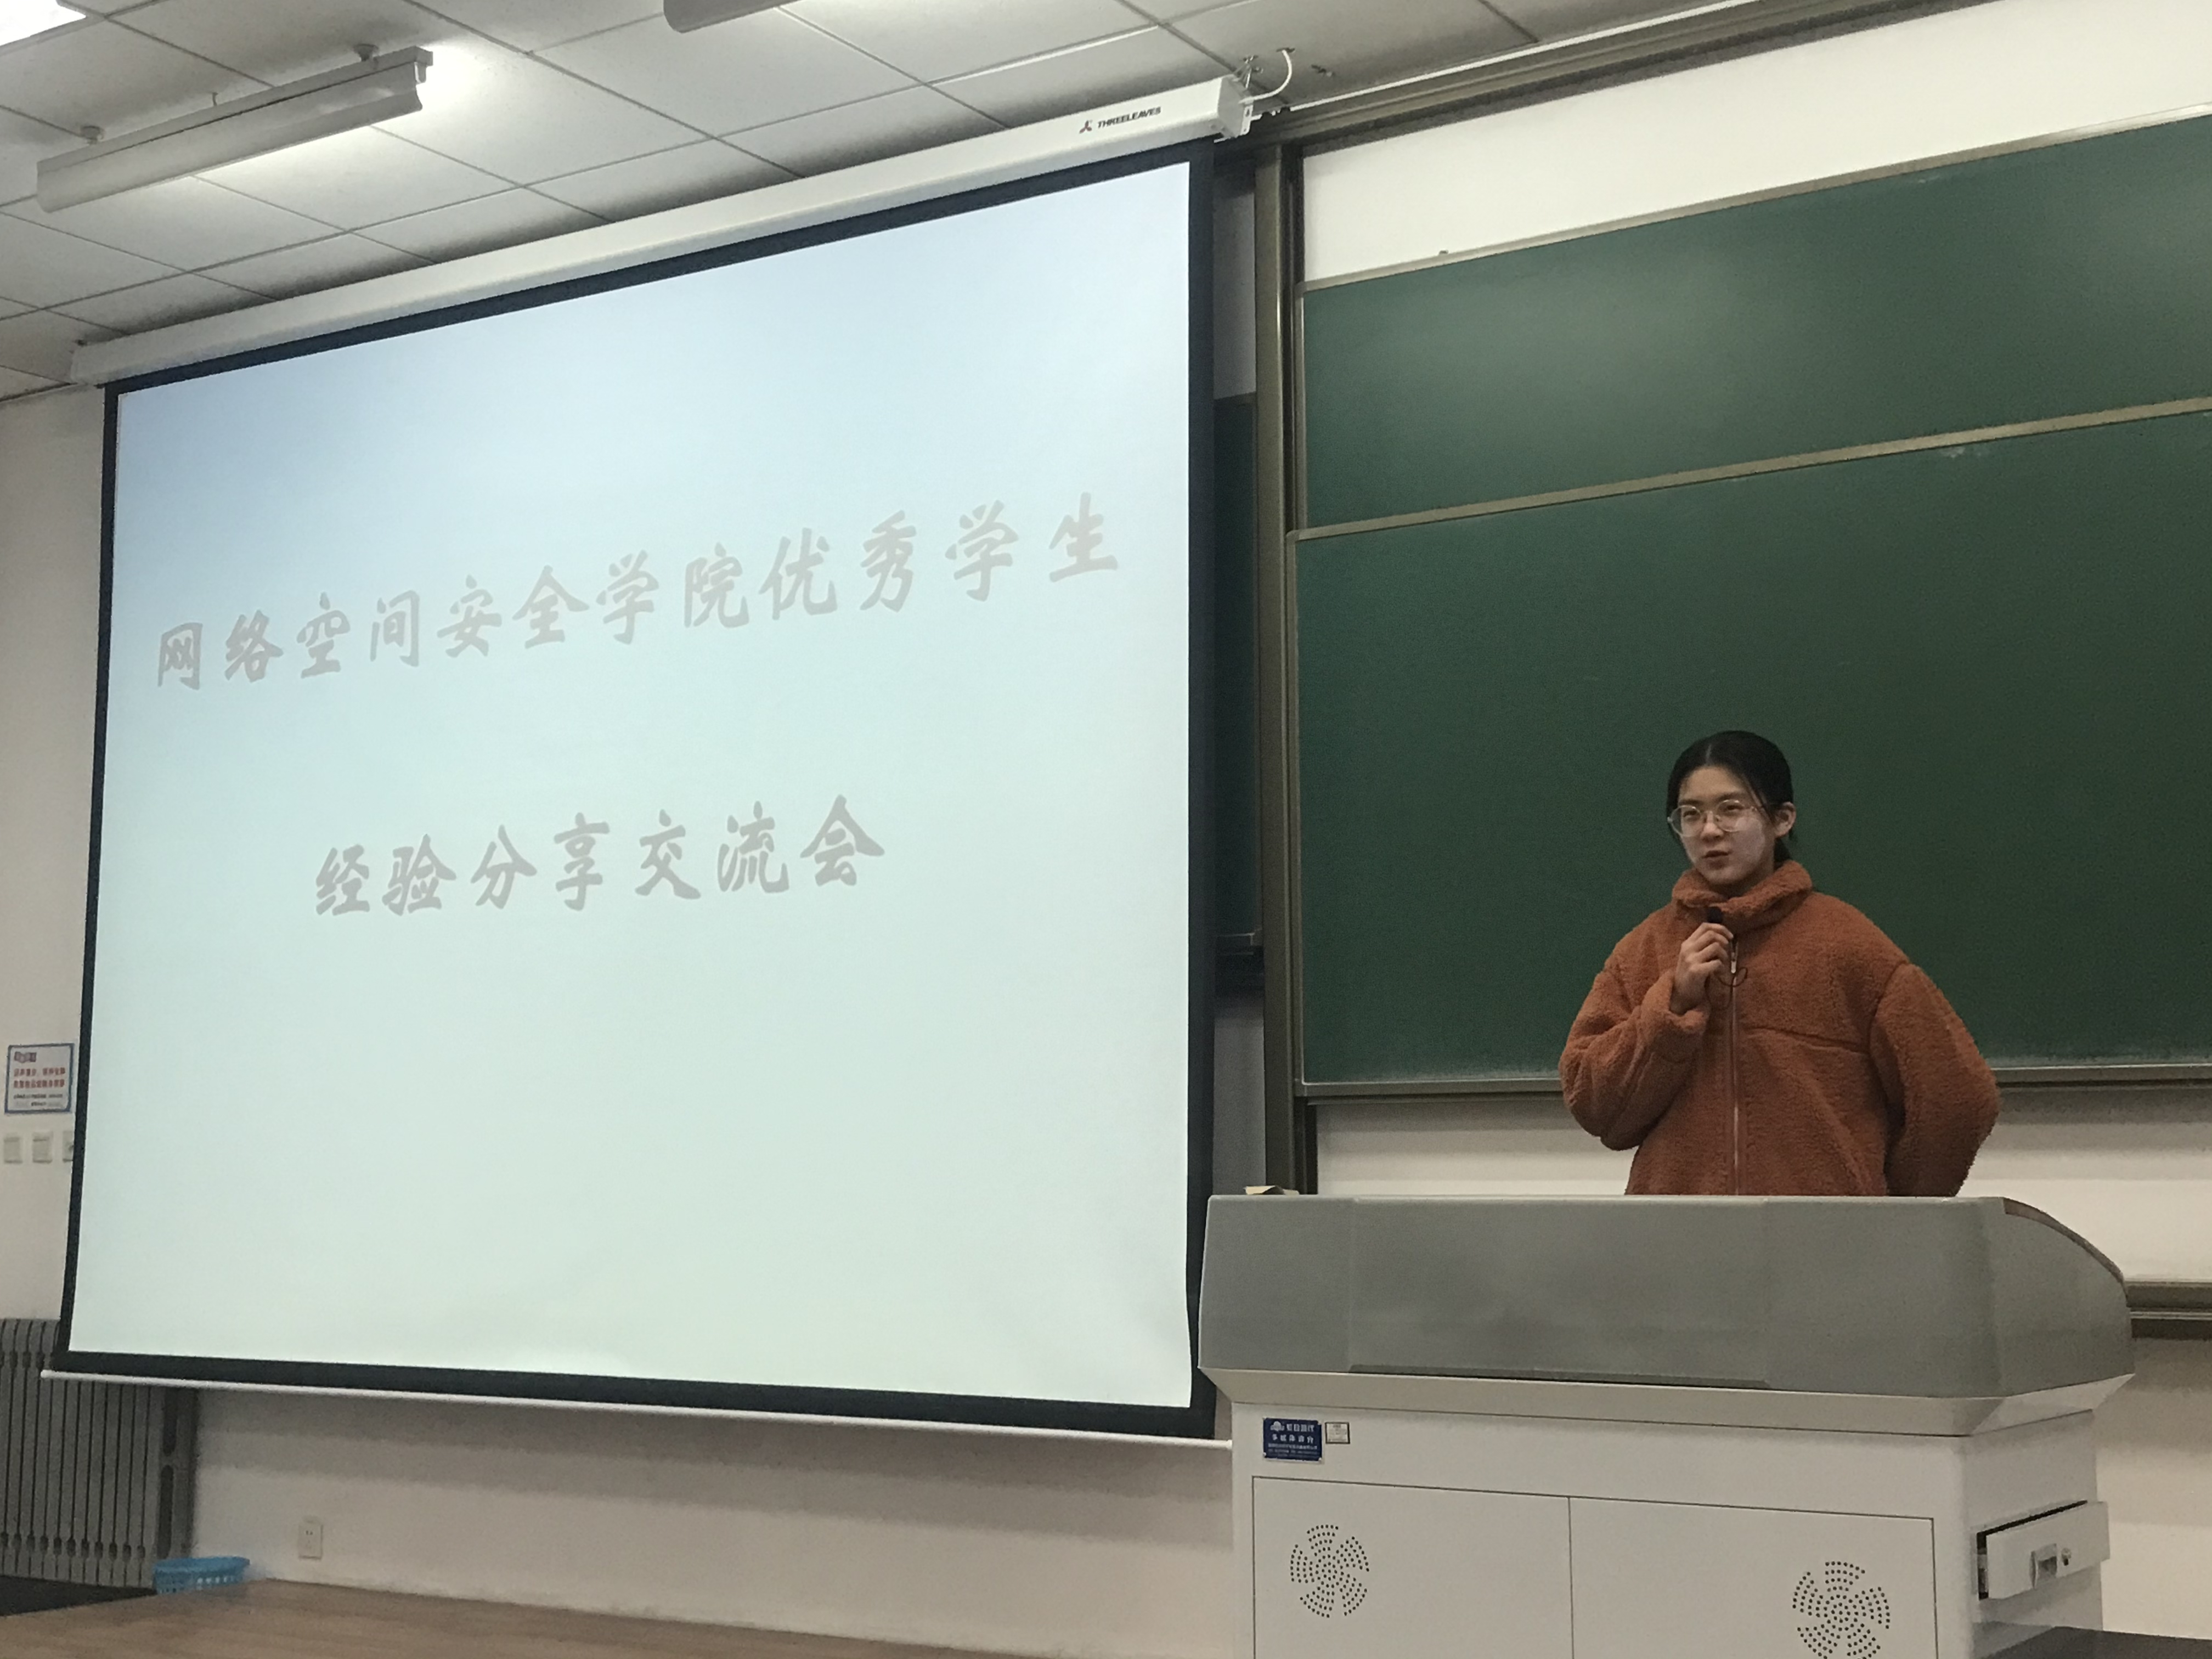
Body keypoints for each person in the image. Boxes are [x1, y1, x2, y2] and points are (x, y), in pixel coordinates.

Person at [1560, 731, 1999, 1195]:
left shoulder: (1850, 946)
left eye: (1731, 809)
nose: (1709, 831)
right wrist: (1673, 1004)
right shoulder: (1643, 951)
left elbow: (1957, 1097)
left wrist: (1886, 1210)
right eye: (1691, 815)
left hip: (1820, 1235)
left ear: (1782, 819)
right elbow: (1593, 1103)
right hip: (1680, 1234)